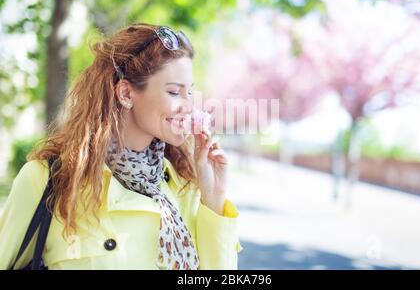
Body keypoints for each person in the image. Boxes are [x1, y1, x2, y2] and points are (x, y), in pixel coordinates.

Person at [0, 23, 243, 270]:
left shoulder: (186, 186)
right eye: (173, 92)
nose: (188, 106)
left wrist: (213, 197)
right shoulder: (50, 179)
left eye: (188, 93)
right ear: (126, 93)